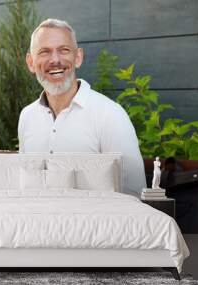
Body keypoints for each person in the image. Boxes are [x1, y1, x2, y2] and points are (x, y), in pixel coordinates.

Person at [18, 18, 146, 197]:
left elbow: (133, 192)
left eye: (64, 50)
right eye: (45, 52)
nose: (55, 60)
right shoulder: (27, 117)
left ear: (78, 57)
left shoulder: (110, 115)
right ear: (31, 63)